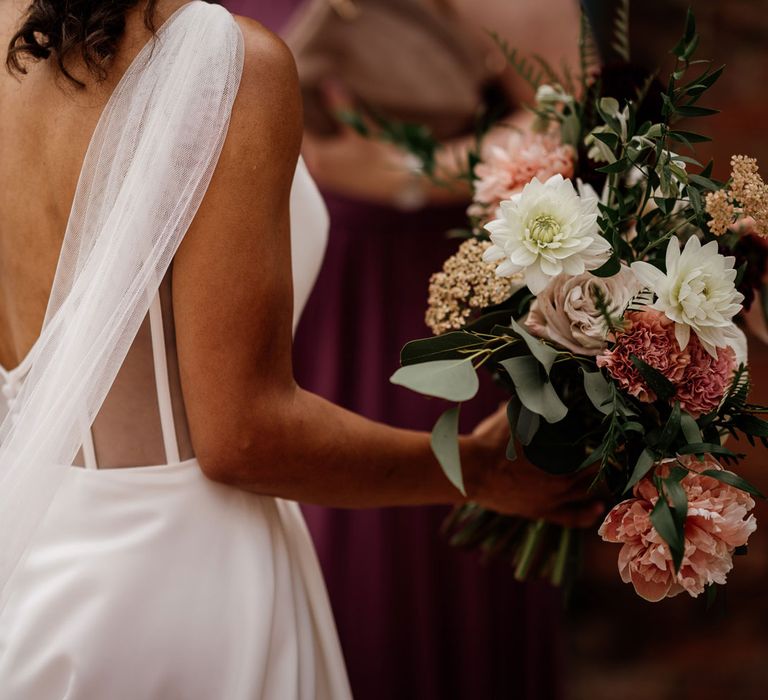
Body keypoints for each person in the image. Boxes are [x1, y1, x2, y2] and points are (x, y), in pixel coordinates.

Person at [0, 0, 597, 697]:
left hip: (32, 550)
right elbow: (244, 438)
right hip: (185, 585)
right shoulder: (229, 64)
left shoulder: (12, 30)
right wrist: (480, 470)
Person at [223, 0, 581, 697]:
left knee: (411, 562)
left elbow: (569, 112)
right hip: (281, 283)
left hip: (426, 298)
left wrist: (406, 175)